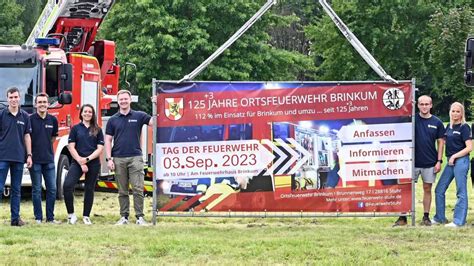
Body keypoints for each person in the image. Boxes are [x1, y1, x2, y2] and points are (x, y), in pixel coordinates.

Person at [393, 95, 444, 226]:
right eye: (421, 104)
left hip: (429, 162)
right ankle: (402, 217)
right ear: (418, 105)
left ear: (431, 105)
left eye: (427, 104)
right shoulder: (411, 119)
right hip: (411, 162)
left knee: (427, 188)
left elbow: (441, 143)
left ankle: (426, 217)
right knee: (406, 189)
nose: (424, 106)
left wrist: (439, 161)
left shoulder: (437, 122)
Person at [105, 89, 153, 225]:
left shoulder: (139, 116)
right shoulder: (113, 120)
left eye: (126, 99)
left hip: (135, 158)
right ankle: (124, 217)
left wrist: (157, 104)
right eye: (121, 99)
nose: (123, 101)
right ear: (117, 101)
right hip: (118, 158)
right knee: (122, 190)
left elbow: (154, 122)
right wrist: (109, 159)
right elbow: (108, 140)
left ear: (130, 100)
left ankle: (140, 217)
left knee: (138, 188)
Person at [63, 104, 104, 225]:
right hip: (77, 162)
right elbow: (71, 147)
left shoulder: (98, 129)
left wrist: (87, 159)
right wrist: (81, 161)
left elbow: (100, 149)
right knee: (67, 185)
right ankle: (71, 215)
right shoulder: (75, 129)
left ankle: (86, 216)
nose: (87, 114)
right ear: (81, 113)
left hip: (93, 163)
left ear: (93, 114)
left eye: (90, 112)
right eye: (85, 111)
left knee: (89, 188)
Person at [433, 102, 472, 227]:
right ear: (450, 112)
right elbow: (441, 141)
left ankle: (458, 221)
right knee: (439, 189)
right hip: (450, 161)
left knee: (461, 191)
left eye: (458, 111)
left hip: (461, 161)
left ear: (462, 113)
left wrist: (455, 156)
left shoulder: (464, 127)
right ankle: (439, 218)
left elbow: (469, 148)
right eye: (453, 111)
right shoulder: (448, 127)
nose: (455, 113)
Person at [0, 87, 32, 226]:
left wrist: (29, 155)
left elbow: (27, 136)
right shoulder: (1, 115)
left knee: (16, 190)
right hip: (2, 157)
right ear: (7, 99)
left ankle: (15, 219)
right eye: (11, 97)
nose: (13, 100)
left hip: (19, 157)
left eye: (15, 97)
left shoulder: (25, 116)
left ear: (20, 98)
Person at [29, 93, 59, 224]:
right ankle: (38, 218)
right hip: (35, 160)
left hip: (49, 160)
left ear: (48, 104)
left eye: (44, 102)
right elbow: (27, 138)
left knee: (52, 189)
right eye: (39, 102)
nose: (42, 104)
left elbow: (53, 138)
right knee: (36, 189)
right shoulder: (30, 119)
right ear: (35, 104)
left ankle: (50, 218)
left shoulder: (53, 120)